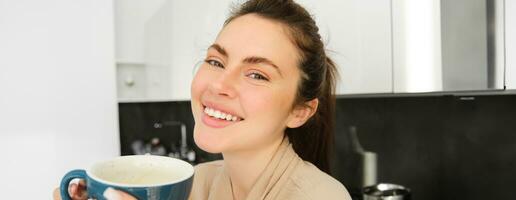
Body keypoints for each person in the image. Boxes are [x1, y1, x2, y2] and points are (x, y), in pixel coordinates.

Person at [54, 0, 351, 199]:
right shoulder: (197, 184)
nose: (220, 84)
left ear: (300, 111)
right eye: (216, 62)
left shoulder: (322, 196)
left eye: (257, 75)